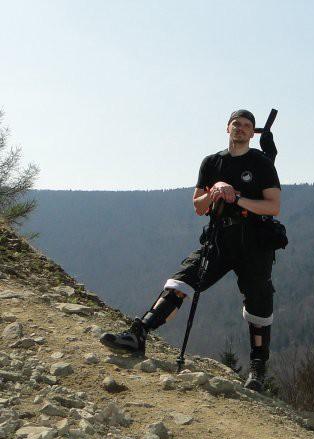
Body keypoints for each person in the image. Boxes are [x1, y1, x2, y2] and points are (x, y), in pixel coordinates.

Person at [100, 109, 281, 392]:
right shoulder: (212, 162)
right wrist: (216, 192)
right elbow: (199, 205)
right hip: (219, 238)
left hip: (255, 241)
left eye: (247, 126)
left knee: (259, 300)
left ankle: (257, 369)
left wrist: (238, 197)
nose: (241, 129)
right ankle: (139, 334)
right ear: (227, 127)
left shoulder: (261, 163)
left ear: (252, 132)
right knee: (181, 281)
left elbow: (273, 206)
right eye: (237, 124)